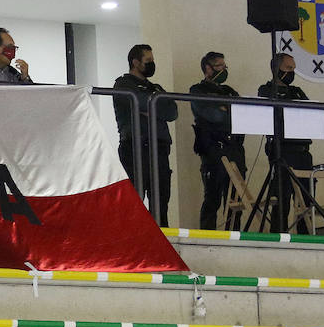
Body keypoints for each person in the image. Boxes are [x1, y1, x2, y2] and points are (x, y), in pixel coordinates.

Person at [112, 44, 176, 226]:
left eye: (152, 60)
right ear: (135, 62)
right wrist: (154, 107)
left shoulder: (156, 87)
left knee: (161, 202)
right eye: (148, 61)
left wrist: (151, 109)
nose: (152, 64)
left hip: (160, 149)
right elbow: (140, 103)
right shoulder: (123, 85)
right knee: (134, 203)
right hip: (135, 149)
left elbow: (172, 112)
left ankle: (162, 245)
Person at [189, 51, 245, 230]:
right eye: (220, 66)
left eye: (224, 65)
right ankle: (208, 241)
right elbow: (214, 115)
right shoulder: (197, 91)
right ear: (208, 68)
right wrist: (227, 110)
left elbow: (242, 115)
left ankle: (235, 239)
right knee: (212, 198)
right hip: (213, 150)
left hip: (235, 149)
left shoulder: (230, 91)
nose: (225, 69)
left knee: (236, 200)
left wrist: (224, 108)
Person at [257, 52, 312, 170]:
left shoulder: (297, 91)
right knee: (284, 185)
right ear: (276, 69)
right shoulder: (266, 90)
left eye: (293, 69)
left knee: (306, 187)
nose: (291, 72)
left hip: (303, 150)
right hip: (281, 150)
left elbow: (310, 113)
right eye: (288, 68)